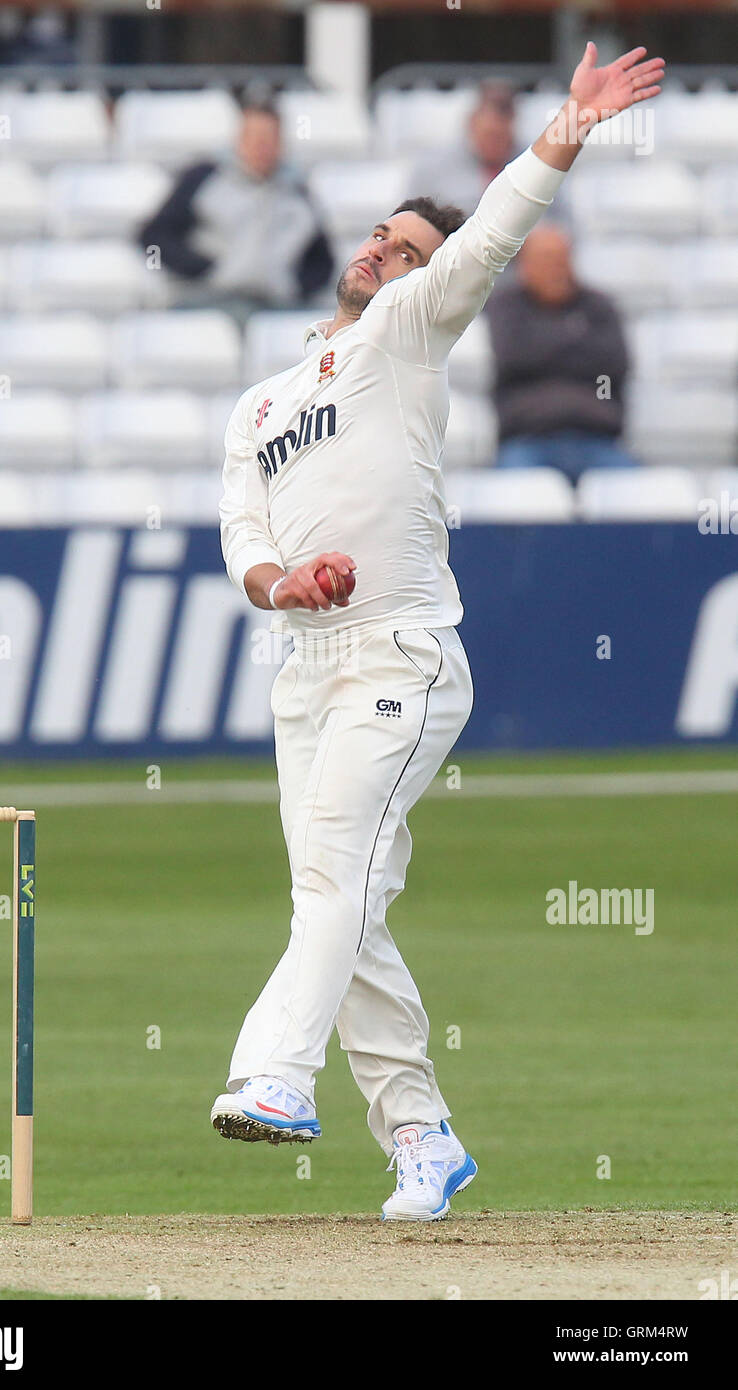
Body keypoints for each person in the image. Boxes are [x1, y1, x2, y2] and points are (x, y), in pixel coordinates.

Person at [213, 43, 664, 1221]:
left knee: (331, 881)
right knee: (340, 902)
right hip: (305, 671)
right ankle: (422, 1135)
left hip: (400, 657)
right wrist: (284, 584)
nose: (382, 252)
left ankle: (271, 1074)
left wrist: (565, 127)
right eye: (379, 237)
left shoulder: (409, 331)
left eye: (406, 249)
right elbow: (240, 534)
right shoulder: (260, 401)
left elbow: (489, 236)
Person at [137, 99, 333, 322]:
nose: (261, 146)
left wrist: (294, 284)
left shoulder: (297, 192)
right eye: (254, 137)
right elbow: (155, 236)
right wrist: (206, 269)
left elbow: (322, 261)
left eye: (269, 138)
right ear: (238, 139)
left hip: (278, 305)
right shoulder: (204, 178)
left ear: (281, 143)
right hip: (211, 301)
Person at [486, 224, 636, 480]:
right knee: (513, 503)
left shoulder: (599, 306)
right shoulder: (505, 306)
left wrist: (545, 345)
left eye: (561, 259)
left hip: (598, 438)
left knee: (639, 499)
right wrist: (575, 339)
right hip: (527, 440)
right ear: (524, 266)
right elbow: (514, 357)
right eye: (545, 259)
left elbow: (614, 363)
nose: (555, 269)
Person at [409, 82, 519, 217]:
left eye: (500, 137)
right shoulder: (432, 167)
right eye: (489, 135)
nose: (493, 144)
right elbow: (409, 219)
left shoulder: (531, 165)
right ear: (471, 125)